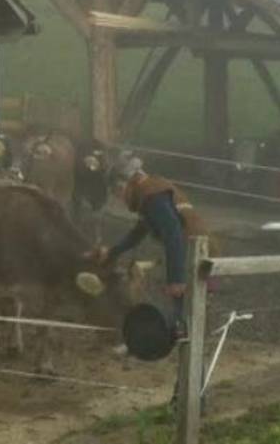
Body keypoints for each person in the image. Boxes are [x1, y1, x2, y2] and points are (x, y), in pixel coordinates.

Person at [98, 151, 216, 413]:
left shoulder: (152, 197)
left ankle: (193, 402)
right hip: (195, 259)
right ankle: (185, 397)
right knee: (187, 329)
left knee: (188, 331)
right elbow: (138, 232)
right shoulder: (152, 192)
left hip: (194, 263)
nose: (119, 199)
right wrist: (113, 252)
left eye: (117, 193)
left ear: (124, 183)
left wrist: (176, 279)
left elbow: (174, 234)